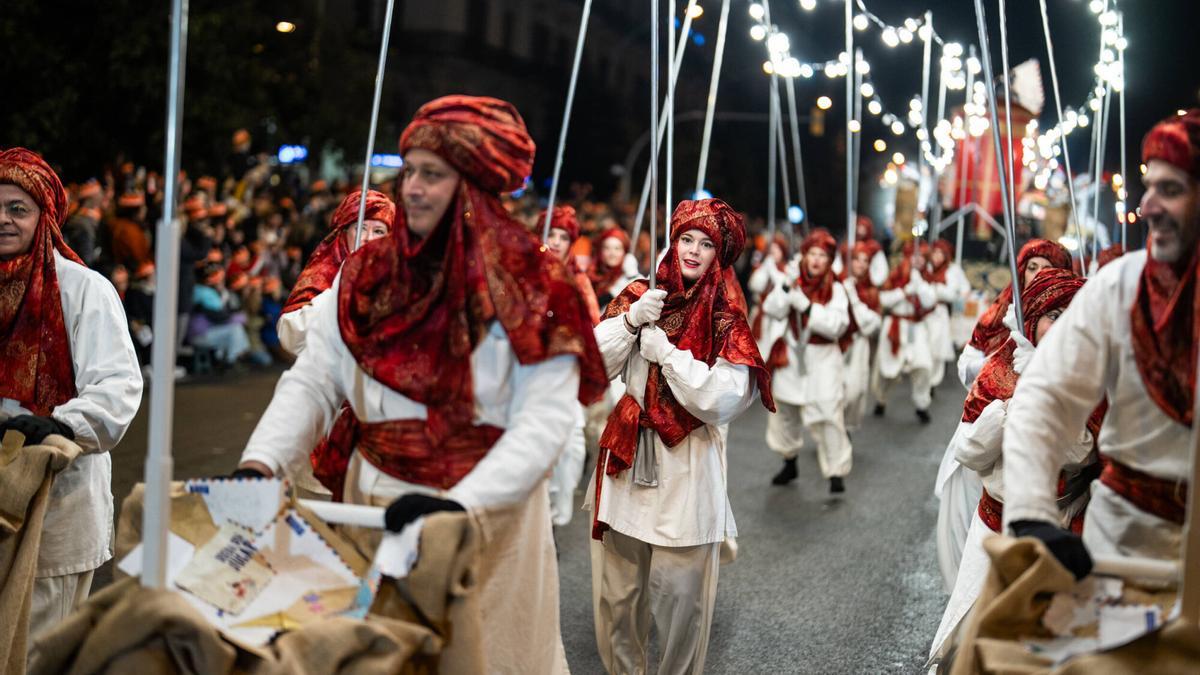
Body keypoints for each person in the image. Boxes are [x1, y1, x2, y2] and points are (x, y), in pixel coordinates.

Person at [234, 96, 605, 673]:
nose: (411, 188)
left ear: (476, 185)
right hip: (371, 508)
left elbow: (546, 422)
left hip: (488, 522)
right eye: (409, 171)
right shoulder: (365, 274)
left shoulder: (536, 286)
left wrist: (460, 508)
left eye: (432, 175)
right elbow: (314, 378)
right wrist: (261, 464)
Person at [1001, 110, 1200, 581]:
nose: (1148, 205)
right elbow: (1047, 396)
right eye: (1149, 187)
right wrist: (1030, 512)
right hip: (1124, 541)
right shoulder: (1117, 288)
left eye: (1170, 190)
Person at [588, 198, 773, 674]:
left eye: (706, 243)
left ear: (720, 254)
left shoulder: (726, 318)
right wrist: (629, 322)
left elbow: (724, 400)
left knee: (679, 600)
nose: (692, 250)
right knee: (618, 595)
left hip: (685, 466)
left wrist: (668, 355)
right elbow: (589, 366)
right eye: (686, 239)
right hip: (626, 457)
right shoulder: (639, 293)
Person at [0, 148, 143, 638]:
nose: (3, 220)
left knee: (39, 648)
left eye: (17, 209)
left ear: (45, 217)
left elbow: (117, 387)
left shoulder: (83, 289)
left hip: (57, 502)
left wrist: (62, 426)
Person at [929, 269, 1096, 659]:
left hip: (1057, 529)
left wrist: (1047, 397)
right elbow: (969, 451)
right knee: (972, 632)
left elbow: (1082, 454)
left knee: (1032, 644)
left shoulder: (1091, 379)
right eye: (1055, 315)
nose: (1063, 327)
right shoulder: (999, 370)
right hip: (994, 524)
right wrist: (1008, 410)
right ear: (1033, 317)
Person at [761, 228, 853, 491]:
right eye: (811, 253)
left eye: (822, 255)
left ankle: (836, 471)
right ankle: (789, 460)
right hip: (792, 356)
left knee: (827, 413)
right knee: (785, 412)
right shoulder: (793, 281)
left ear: (829, 260)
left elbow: (838, 325)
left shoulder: (836, 288)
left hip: (823, 358)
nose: (815, 260)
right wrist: (785, 286)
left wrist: (807, 306)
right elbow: (772, 310)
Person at [277, 189, 395, 356]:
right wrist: (341, 290)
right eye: (361, 228)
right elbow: (290, 335)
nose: (368, 238)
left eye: (378, 231)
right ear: (343, 233)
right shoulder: (324, 271)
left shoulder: (399, 276)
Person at [541, 205, 597, 526]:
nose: (558, 242)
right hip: (530, 375)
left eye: (564, 237)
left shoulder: (580, 280)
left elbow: (592, 327)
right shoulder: (525, 273)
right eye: (552, 234)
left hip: (566, 376)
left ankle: (554, 518)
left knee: (572, 448)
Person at [956, 238, 1071, 390]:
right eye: (1032, 267)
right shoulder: (999, 312)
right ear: (1023, 273)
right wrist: (1000, 360)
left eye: (1047, 268)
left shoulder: (1069, 315)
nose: (1038, 274)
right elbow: (967, 368)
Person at [873, 240, 937, 422]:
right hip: (894, 325)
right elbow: (883, 300)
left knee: (923, 366)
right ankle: (881, 399)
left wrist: (920, 286)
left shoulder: (926, 278)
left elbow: (929, 302)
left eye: (922, 258)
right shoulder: (894, 276)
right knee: (887, 370)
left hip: (916, 328)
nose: (918, 261)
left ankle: (922, 404)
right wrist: (904, 290)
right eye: (915, 257)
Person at [841, 239, 884, 432]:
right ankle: (835, 430)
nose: (860, 264)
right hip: (835, 343)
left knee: (855, 392)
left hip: (859, 345)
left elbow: (871, 325)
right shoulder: (835, 284)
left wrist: (854, 298)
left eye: (865, 260)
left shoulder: (872, 291)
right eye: (856, 259)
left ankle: (847, 427)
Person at [925, 239, 971, 388]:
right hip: (924, 312)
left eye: (941, 253)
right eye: (935, 252)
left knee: (938, 346)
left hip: (942, 312)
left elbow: (958, 291)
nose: (937, 256)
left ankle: (932, 382)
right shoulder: (927, 268)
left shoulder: (952, 270)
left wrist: (937, 290)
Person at [589, 226, 638, 312]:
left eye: (617, 248)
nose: (612, 253)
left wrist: (632, 276)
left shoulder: (631, 279)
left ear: (624, 252)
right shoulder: (592, 274)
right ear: (600, 251)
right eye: (607, 248)